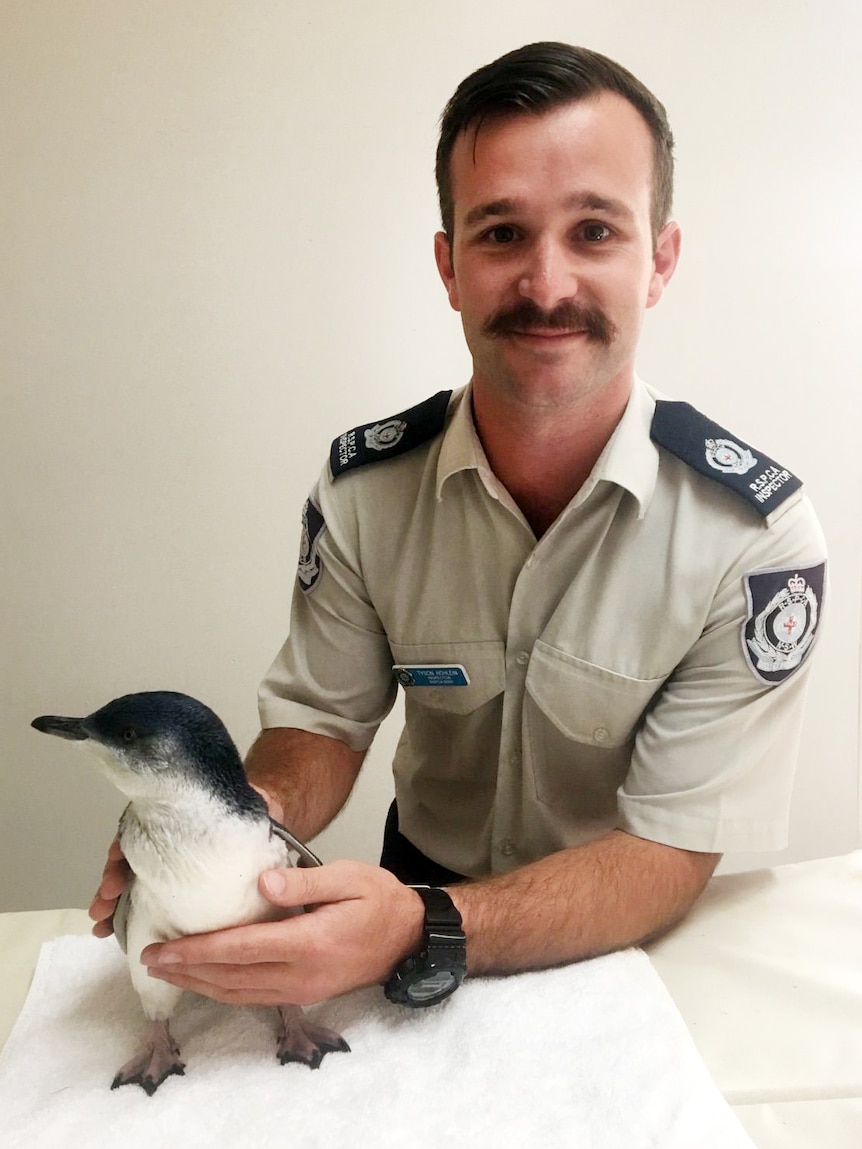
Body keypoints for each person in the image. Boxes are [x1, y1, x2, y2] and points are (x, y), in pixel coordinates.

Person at [90, 42, 826, 1007]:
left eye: (596, 230)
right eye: (501, 233)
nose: (547, 283)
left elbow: (667, 847)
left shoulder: (755, 541)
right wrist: (226, 824)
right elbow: (321, 721)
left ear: (661, 260)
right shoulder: (367, 489)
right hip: (414, 889)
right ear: (449, 264)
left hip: (622, 933)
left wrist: (426, 925)